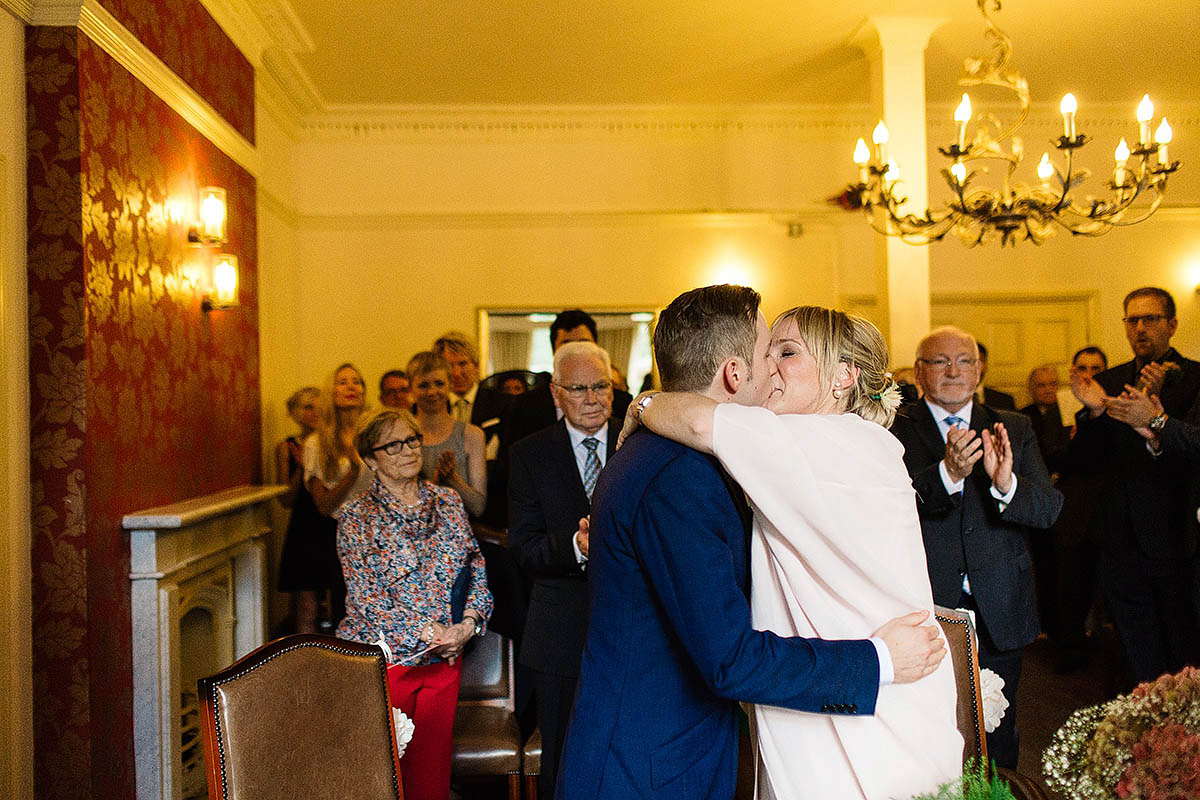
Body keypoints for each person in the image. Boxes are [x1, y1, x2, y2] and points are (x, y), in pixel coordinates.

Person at [557, 285, 946, 800]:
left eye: (787, 352)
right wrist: (878, 660)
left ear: (844, 376)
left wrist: (646, 402)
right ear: (736, 373)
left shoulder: (797, 447)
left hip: (689, 744)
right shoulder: (683, 472)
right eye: (770, 352)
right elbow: (729, 659)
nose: (773, 368)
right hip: (649, 763)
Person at [891, 327, 1063, 769]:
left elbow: (1047, 509)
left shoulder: (1015, 426)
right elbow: (890, 508)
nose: (953, 371)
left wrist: (1006, 484)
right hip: (926, 605)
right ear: (920, 372)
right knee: (929, 727)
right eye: (939, 362)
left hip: (1000, 604)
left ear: (979, 368)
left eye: (964, 361)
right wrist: (947, 473)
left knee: (998, 728)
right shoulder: (895, 427)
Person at [336, 407, 492, 800]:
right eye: (393, 445)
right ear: (370, 458)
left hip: (444, 660)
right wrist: (430, 632)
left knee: (430, 777)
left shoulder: (449, 502)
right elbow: (366, 597)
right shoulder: (356, 517)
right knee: (384, 780)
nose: (407, 450)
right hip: (385, 665)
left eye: (411, 439)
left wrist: (467, 625)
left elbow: (474, 569)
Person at [508, 341, 622, 800]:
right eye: (579, 389)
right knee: (563, 756)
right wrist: (577, 545)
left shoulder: (642, 443)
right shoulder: (529, 454)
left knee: (625, 748)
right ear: (556, 394)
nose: (592, 398)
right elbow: (525, 548)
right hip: (559, 632)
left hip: (632, 624)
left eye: (600, 386)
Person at [1070, 287, 1200, 685]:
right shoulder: (1107, 382)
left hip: (1180, 534)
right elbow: (1085, 462)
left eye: (1150, 319)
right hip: (1121, 537)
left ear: (1172, 325)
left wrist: (1156, 418)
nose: (1140, 329)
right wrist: (1094, 411)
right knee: (1134, 647)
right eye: (1132, 320)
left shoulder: (1196, 378)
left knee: (1185, 645)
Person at [299, 363, 375, 631]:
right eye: (343, 382)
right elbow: (322, 505)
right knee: (343, 607)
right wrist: (352, 473)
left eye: (357, 381)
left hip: (377, 530)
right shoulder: (316, 444)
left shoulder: (376, 435)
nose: (351, 387)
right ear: (331, 391)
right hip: (336, 531)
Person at [407, 351, 488, 517]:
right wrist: (434, 482)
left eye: (439, 383)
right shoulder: (402, 436)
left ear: (450, 385)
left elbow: (478, 507)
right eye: (423, 385)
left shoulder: (472, 435)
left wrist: (453, 478)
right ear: (411, 390)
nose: (432, 392)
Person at [275, 387, 323, 630]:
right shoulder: (287, 447)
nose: (314, 412)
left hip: (332, 521)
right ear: (295, 412)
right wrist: (304, 467)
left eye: (318, 406)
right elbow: (285, 500)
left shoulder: (333, 443)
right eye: (307, 407)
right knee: (306, 602)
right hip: (304, 526)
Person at [433, 331, 512, 456]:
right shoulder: (431, 405)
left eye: (462, 364)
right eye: (449, 365)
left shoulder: (503, 404)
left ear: (476, 366)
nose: (456, 373)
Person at [975, 342, 1017, 410]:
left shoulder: (1005, 401)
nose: (976, 367)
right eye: (969, 362)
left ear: (986, 366)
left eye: (980, 362)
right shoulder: (952, 399)